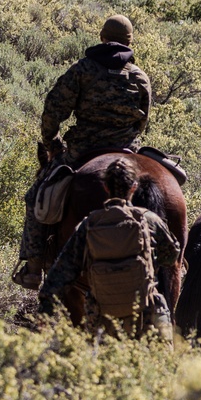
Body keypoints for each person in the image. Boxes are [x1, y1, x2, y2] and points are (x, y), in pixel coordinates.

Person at [14, 15, 153, 288]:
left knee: (36, 197)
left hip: (83, 150)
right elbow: (142, 121)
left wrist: (52, 142)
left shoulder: (83, 69)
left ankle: (32, 268)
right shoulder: (140, 77)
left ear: (102, 37)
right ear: (129, 42)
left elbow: (53, 110)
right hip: (127, 150)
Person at [37, 156, 179, 339]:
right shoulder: (150, 220)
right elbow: (172, 256)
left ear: (105, 187)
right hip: (146, 317)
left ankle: (31, 263)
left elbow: (60, 275)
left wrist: (44, 312)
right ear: (134, 187)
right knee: (163, 362)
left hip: (103, 322)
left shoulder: (88, 226)